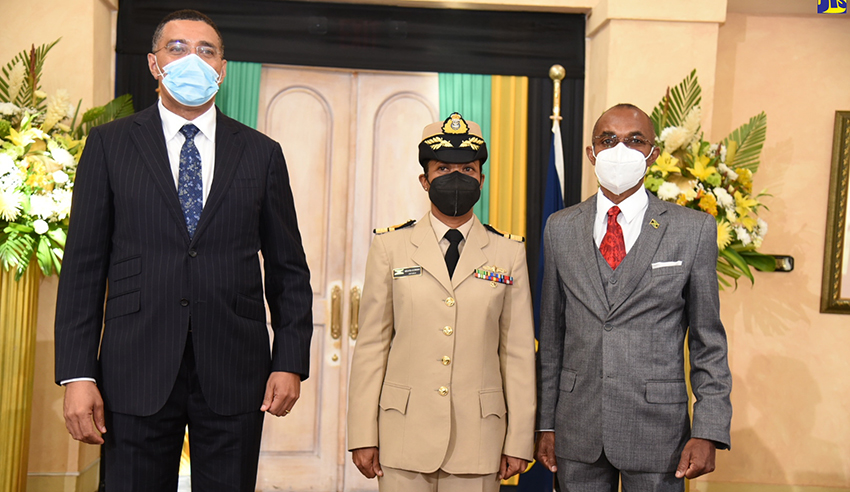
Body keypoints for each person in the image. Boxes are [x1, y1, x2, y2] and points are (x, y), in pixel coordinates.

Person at [54, 9, 313, 490]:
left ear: (222, 68)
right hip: (134, 368)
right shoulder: (110, 146)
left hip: (235, 369)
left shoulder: (261, 153)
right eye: (177, 48)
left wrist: (290, 360)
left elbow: (288, 270)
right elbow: (83, 269)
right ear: (154, 64)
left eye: (206, 50)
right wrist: (76, 375)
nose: (192, 59)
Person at [535, 104, 732, 492]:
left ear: (653, 154)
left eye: (634, 140)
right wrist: (546, 423)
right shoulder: (560, 227)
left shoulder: (693, 230)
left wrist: (708, 430)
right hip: (578, 430)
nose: (619, 150)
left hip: (659, 434)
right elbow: (552, 337)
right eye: (608, 140)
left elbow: (709, 342)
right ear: (592, 153)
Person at [347, 113, 536, 492]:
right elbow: (372, 345)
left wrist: (518, 439)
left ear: (481, 180)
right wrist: (362, 432)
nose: (456, 177)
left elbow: (516, 353)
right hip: (402, 434)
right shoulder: (390, 247)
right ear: (425, 179)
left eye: (467, 168)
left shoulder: (508, 252)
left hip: (479, 438)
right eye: (443, 168)